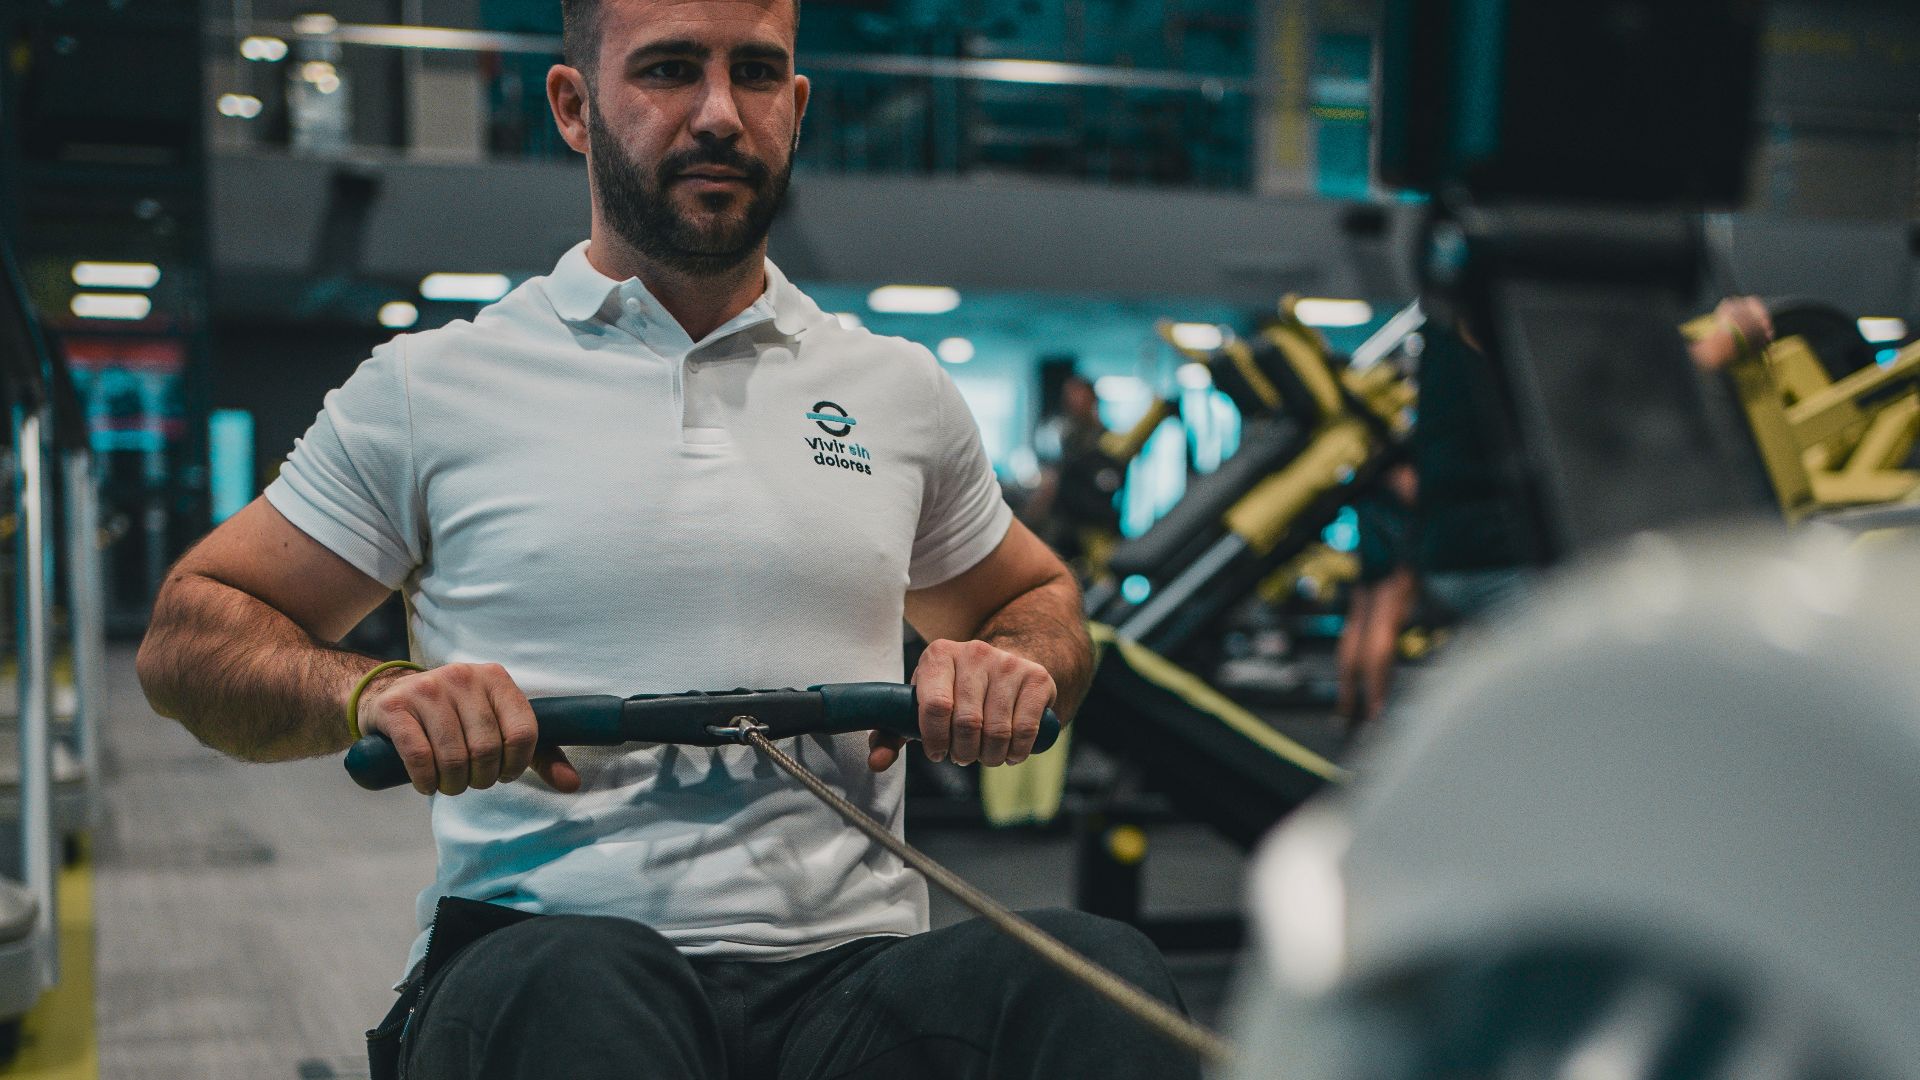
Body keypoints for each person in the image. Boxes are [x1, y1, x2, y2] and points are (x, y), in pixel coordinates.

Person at [133, 0, 1196, 1077]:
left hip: (846, 978)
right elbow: (190, 637)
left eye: (759, 74)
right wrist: (370, 695)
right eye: (672, 70)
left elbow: (1041, 602)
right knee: (584, 993)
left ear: (799, 104)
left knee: (1093, 980)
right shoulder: (430, 387)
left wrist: (1011, 666)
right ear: (573, 106)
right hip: (541, 965)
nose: (722, 114)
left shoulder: (896, 389)